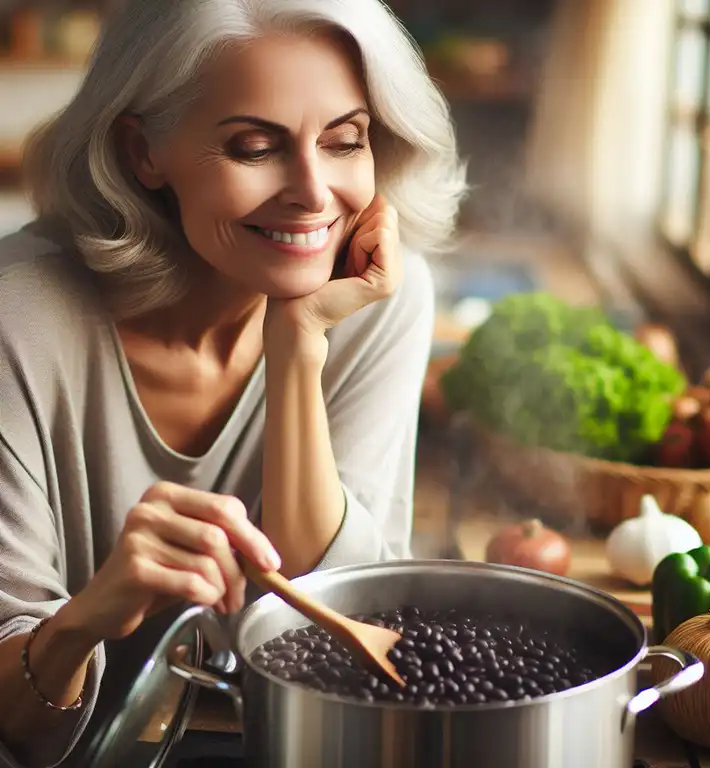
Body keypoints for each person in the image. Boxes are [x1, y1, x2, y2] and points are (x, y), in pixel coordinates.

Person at [0, 0, 466, 766]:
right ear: (143, 150)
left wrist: (298, 345)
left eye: (345, 141)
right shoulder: (19, 323)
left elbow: (342, 642)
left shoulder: (380, 299)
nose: (314, 193)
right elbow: (18, 727)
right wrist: (83, 623)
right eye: (255, 147)